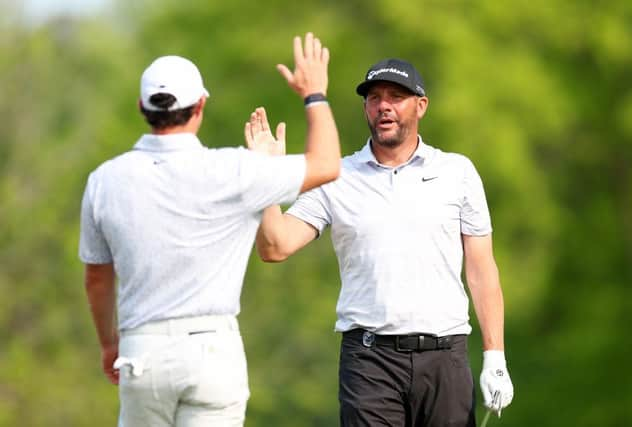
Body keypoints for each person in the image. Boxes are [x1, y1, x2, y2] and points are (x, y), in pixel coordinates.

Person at [78, 32, 340, 427]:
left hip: (141, 349)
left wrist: (108, 343)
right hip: (212, 353)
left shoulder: (104, 180)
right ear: (199, 106)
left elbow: (97, 279)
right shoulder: (234, 170)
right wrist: (314, 94)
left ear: (142, 107)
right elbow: (326, 163)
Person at [252, 58, 514, 426]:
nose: (384, 106)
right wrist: (267, 179)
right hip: (369, 362)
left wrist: (495, 357)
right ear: (365, 109)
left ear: (421, 106)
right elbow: (275, 247)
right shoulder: (336, 177)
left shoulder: (457, 172)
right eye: (374, 98)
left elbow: (481, 270)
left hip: (445, 358)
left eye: (396, 96)